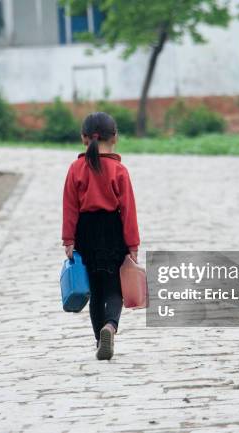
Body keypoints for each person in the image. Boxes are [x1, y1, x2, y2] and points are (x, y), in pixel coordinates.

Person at [61, 112, 140, 361]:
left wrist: (69, 240)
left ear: (84, 138)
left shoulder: (76, 169)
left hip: (86, 231)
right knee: (114, 288)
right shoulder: (119, 170)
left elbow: (70, 206)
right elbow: (128, 210)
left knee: (95, 291)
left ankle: (99, 340)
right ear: (114, 137)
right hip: (112, 230)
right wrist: (132, 244)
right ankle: (110, 327)